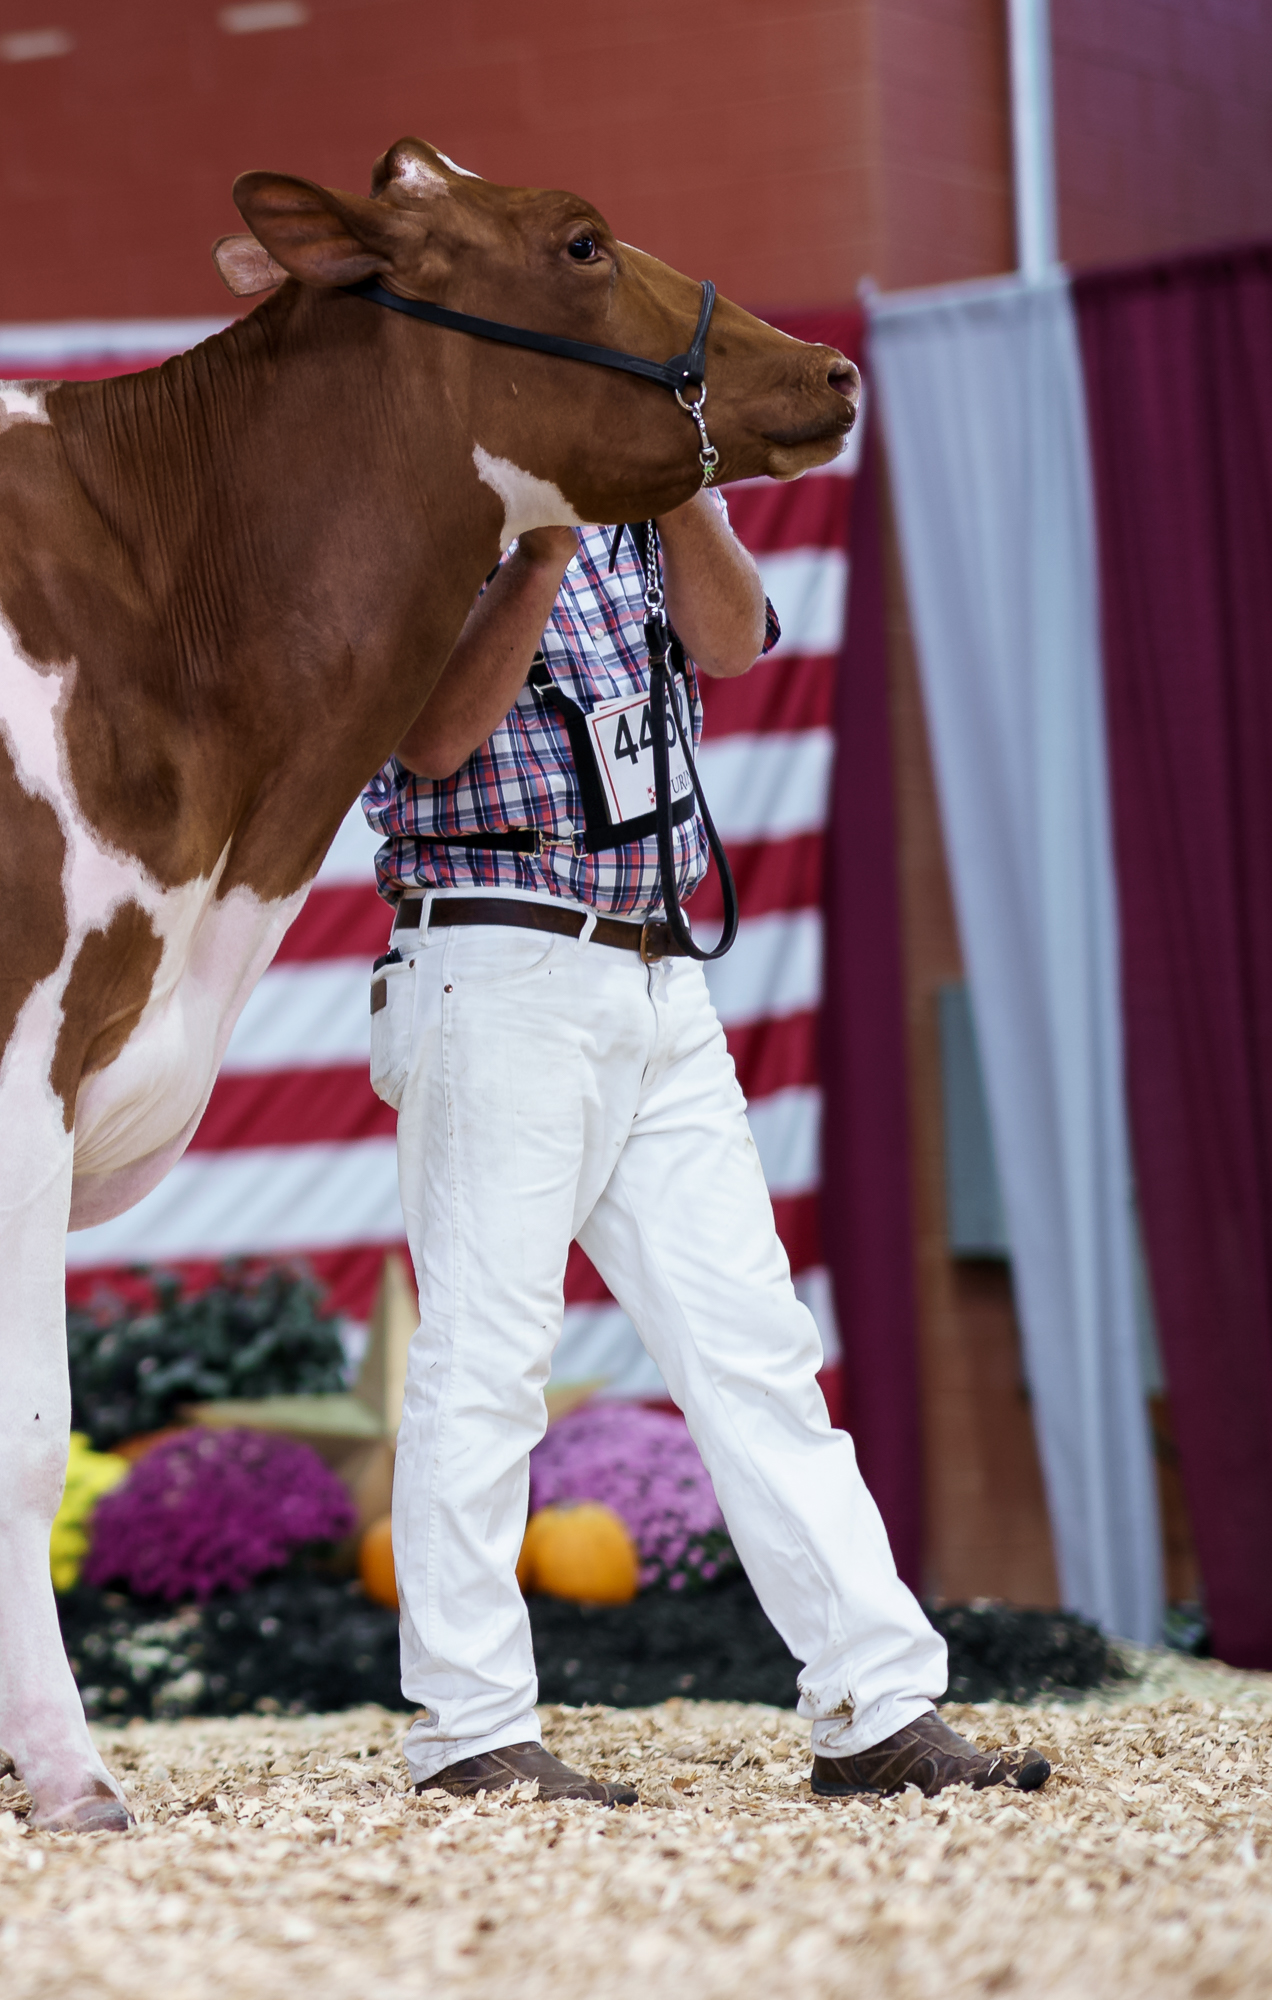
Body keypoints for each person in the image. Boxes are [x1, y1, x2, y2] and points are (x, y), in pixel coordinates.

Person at [362, 491, 1052, 1803]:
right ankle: (469, 1729)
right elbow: (431, 739)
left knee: (757, 1349)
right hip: (494, 954)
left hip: (656, 972)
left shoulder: (648, 491)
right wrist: (543, 544)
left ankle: (875, 1706)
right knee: (487, 1359)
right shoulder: (435, 499)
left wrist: (676, 491)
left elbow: (732, 641)